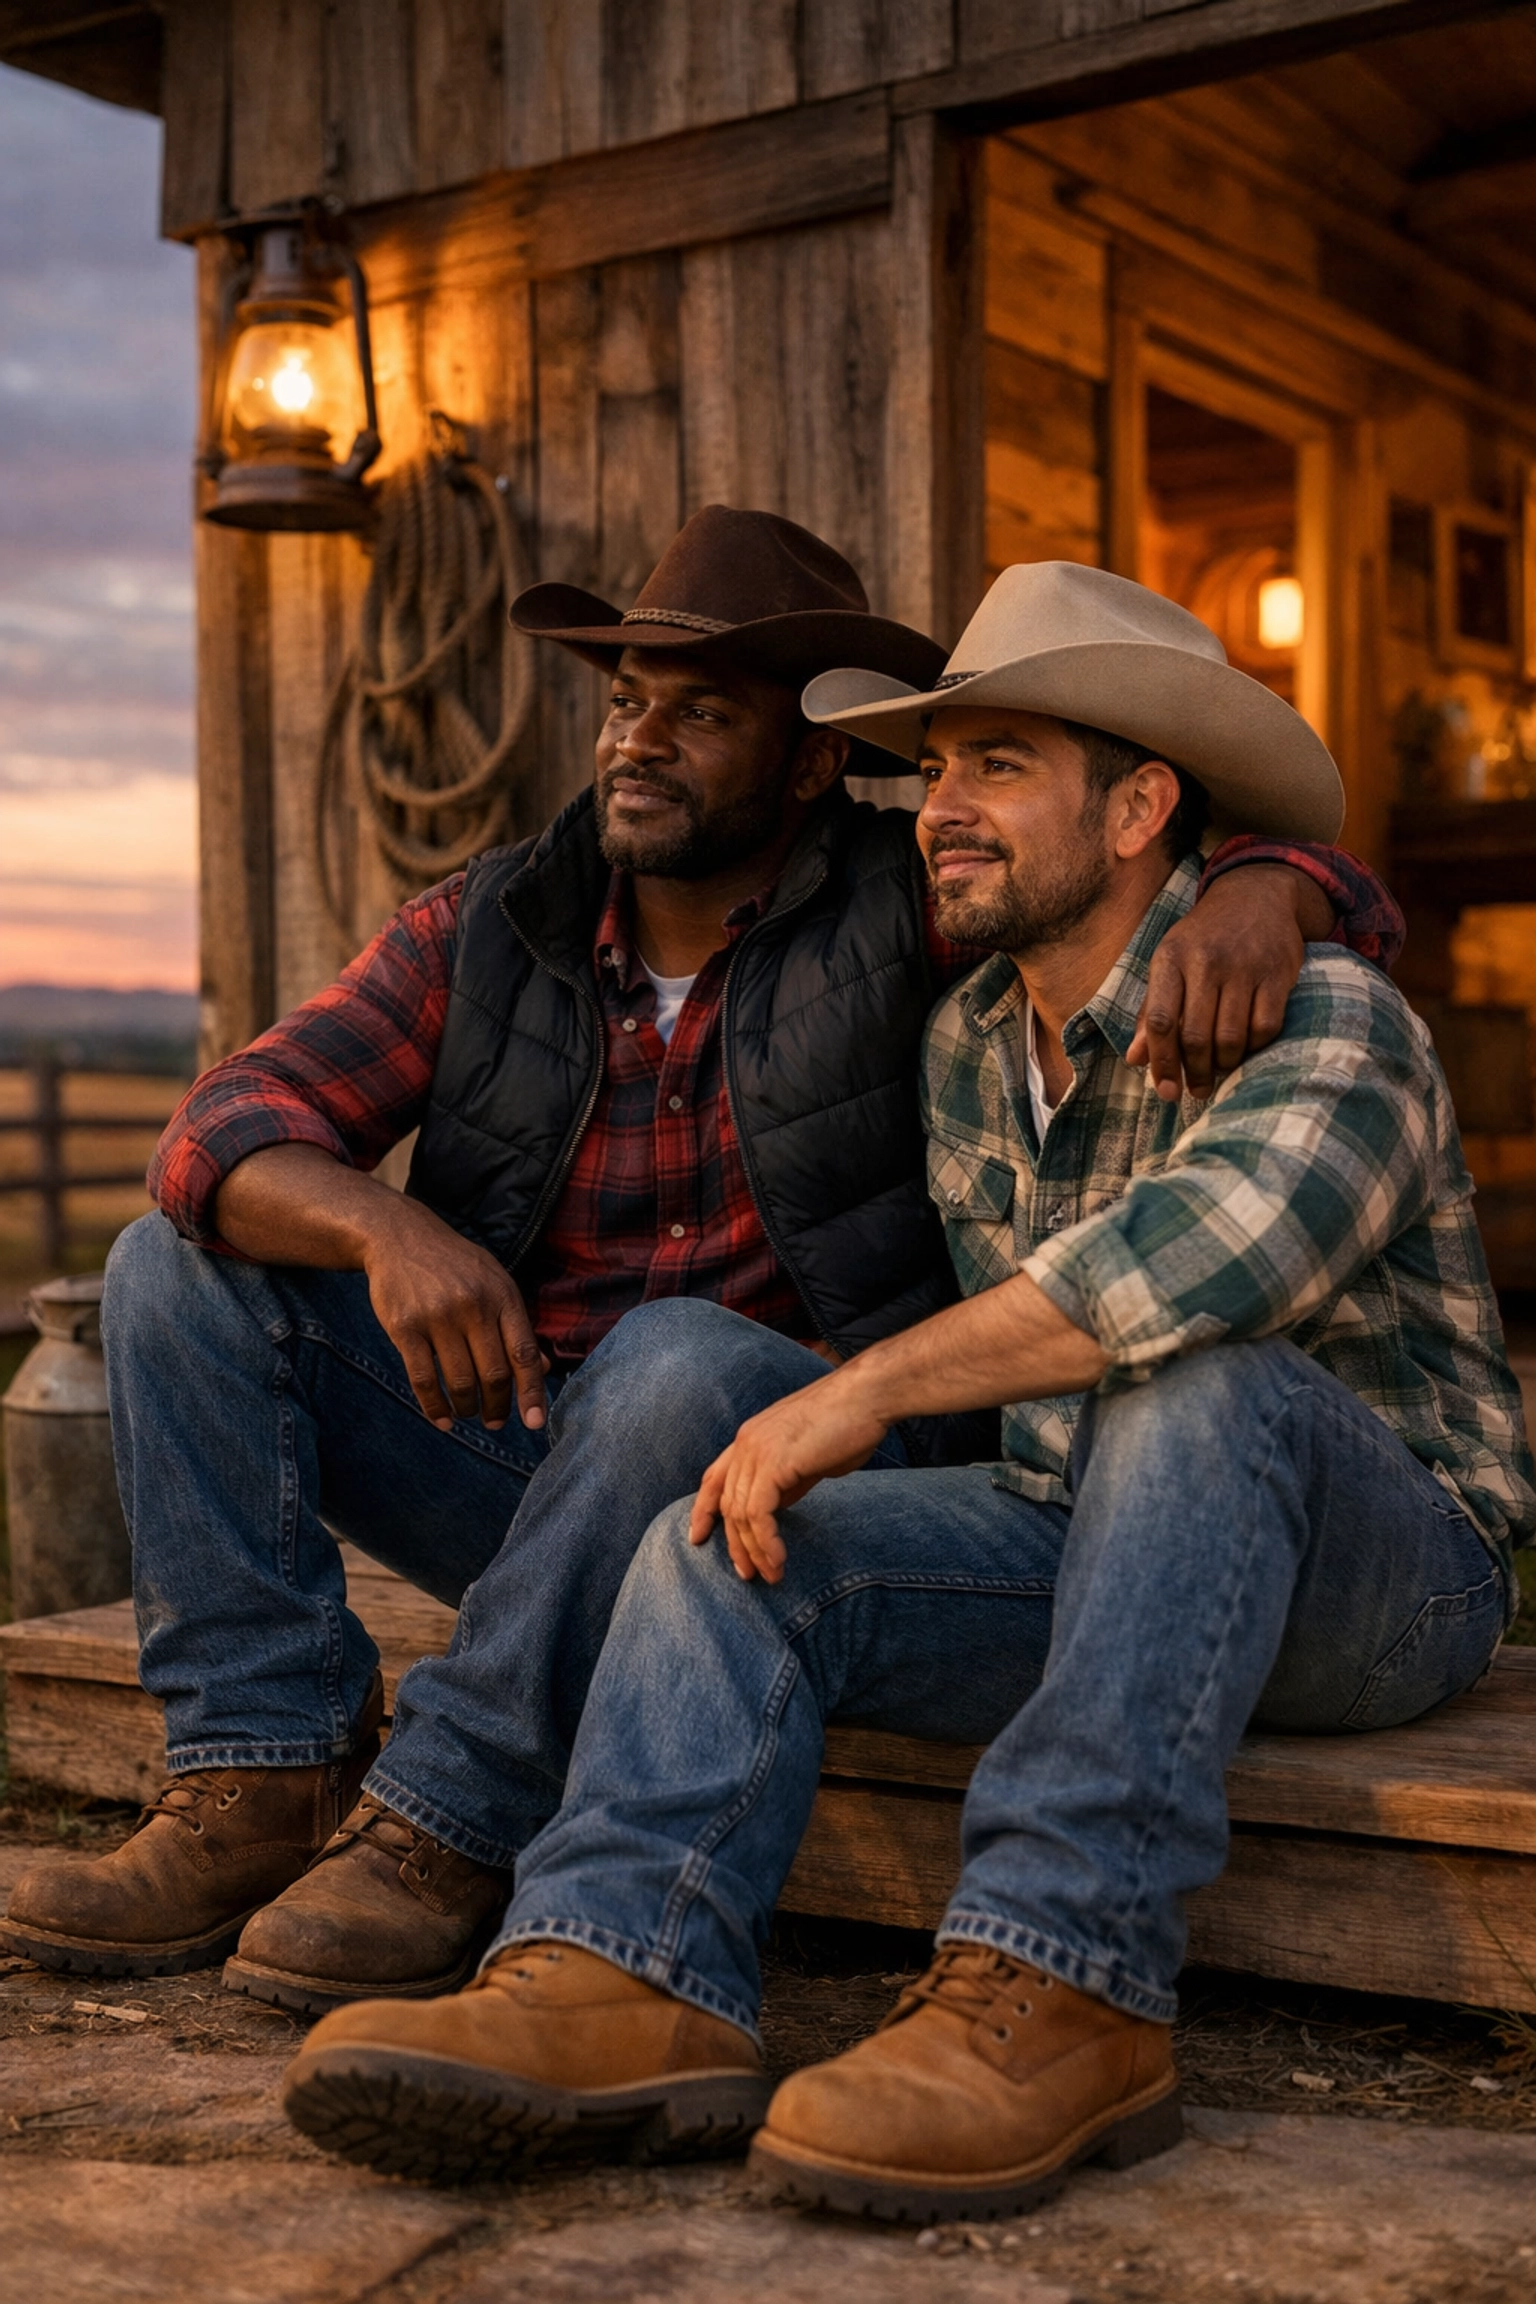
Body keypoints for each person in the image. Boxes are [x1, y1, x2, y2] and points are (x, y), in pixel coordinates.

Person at [281, 562, 1533, 2220]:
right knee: (734, 1527)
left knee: (1198, 1380)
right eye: (937, 767)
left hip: (1384, 1577)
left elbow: (1180, 1276)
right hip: (1072, 1534)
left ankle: (1064, 1982)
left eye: (998, 763)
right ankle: (618, 1965)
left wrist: (862, 1390)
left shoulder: (1327, 1014)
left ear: (1144, 802)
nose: (942, 806)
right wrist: (804, 1430)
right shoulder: (965, 1051)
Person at [3, 520, 1393, 2013]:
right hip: (537, 1464)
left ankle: (447, 1823)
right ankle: (260, 1776)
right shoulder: (492, 926)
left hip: (798, 1468)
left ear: (807, 763)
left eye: (703, 711)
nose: (643, 741)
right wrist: (384, 1227)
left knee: (675, 1357)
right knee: (173, 1264)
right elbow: (218, 1128)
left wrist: (1278, 884)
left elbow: (1104, 872)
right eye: (627, 703)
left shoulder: (906, 892)